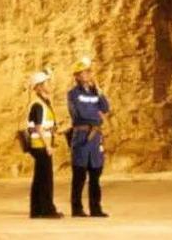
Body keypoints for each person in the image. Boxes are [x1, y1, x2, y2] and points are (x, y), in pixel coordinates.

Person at [66, 57, 110, 218]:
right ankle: (77, 209)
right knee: (79, 174)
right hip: (83, 136)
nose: (88, 74)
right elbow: (81, 112)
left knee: (95, 174)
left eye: (89, 72)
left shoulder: (94, 92)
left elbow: (105, 108)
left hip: (95, 137)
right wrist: (94, 115)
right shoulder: (73, 94)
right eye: (84, 72)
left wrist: (100, 92)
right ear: (77, 76)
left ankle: (96, 208)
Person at [26, 70, 62, 219]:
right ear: (39, 86)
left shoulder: (43, 102)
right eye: (47, 82)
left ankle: (37, 210)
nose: (49, 85)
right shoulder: (38, 104)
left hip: (40, 144)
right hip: (40, 145)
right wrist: (48, 146)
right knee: (46, 179)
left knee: (40, 178)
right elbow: (39, 127)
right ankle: (47, 210)